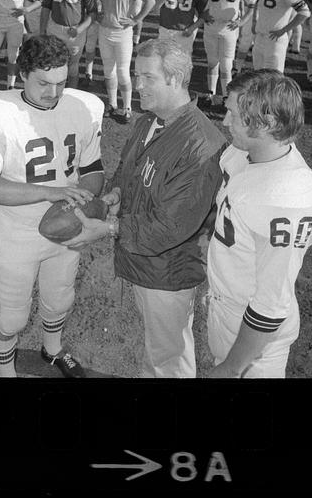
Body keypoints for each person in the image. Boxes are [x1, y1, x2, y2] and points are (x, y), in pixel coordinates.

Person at [63, 38, 228, 378]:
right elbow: (128, 170)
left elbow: (171, 226)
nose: (137, 85)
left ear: (176, 78)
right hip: (144, 260)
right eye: (137, 75)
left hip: (168, 269)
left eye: (148, 77)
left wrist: (110, 228)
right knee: (158, 349)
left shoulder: (200, 145)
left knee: (169, 357)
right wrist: (116, 194)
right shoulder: (148, 121)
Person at [0, 35, 106, 378]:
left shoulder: (85, 106)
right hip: (17, 231)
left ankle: (53, 348)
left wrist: (79, 204)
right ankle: (5, 371)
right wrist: (50, 194)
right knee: (13, 313)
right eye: (43, 82)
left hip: (65, 223)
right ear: (22, 73)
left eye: (61, 83)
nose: (54, 93)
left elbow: (92, 170)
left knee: (60, 298)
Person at [206, 69, 312, 378]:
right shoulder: (241, 152)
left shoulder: (288, 198)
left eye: (233, 114)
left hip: (255, 341)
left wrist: (232, 367)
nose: (224, 121)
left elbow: (271, 306)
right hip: (225, 307)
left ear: (268, 123)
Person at [94, 0, 156, 123]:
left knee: (122, 71)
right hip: (104, 30)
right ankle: (112, 104)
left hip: (122, 33)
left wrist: (136, 20)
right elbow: (98, 0)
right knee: (108, 70)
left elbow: (149, 0)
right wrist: (98, 12)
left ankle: (127, 107)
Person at [197, 0, 256, 102]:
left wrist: (241, 21)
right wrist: (202, 14)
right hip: (211, 25)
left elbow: (252, 4)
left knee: (226, 63)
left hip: (229, 27)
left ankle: (225, 96)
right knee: (212, 61)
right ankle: (210, 93)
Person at [39, 0, 98, 89]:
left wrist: (79, 29)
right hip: (55, 27)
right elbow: (46, 7)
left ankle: (71, 94)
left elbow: (93, 13)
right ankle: (52, 91)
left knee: (73, 66)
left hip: (75, 30)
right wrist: (42, 31)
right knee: (53, 63)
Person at [249, 0, 310, 73]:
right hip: (260, 38)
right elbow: (257, 4)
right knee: (257, 76)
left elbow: (304, 13)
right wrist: (254, 22)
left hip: (275, 39)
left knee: (274, 78)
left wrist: (284, 30)